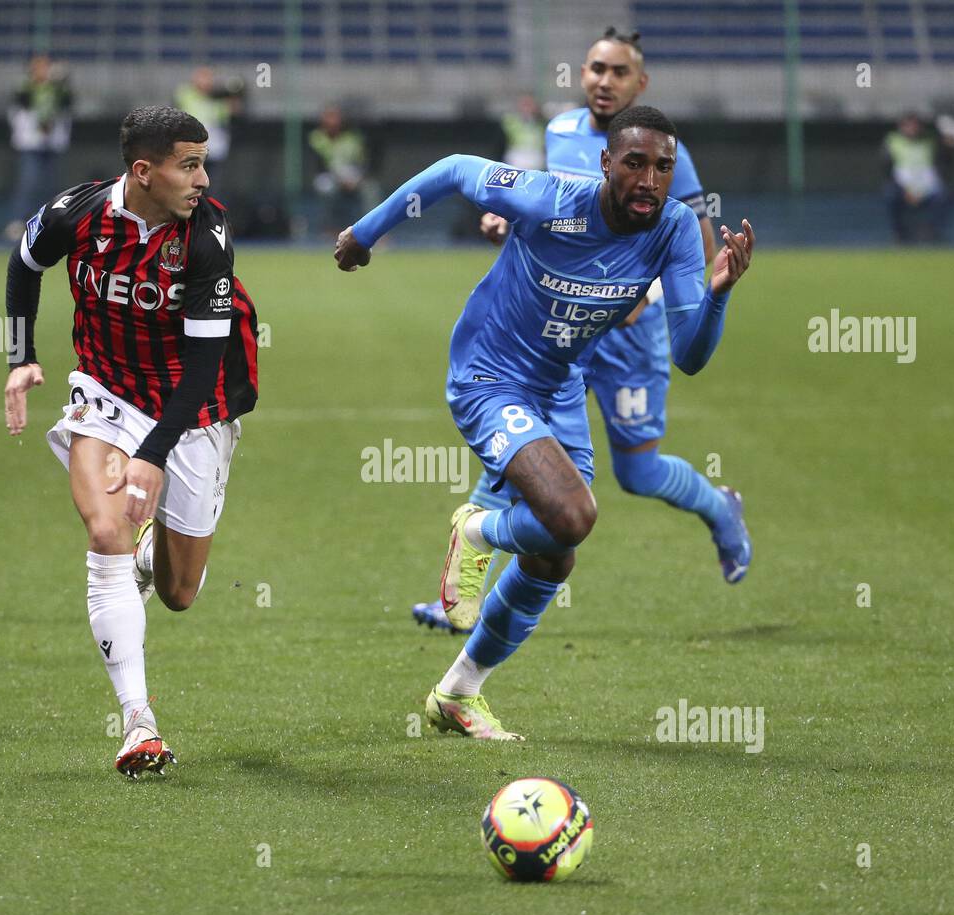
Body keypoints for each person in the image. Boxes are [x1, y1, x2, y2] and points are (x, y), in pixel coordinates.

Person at [336, 105, 756, 739]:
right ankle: (476, 528)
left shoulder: (672, 228)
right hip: (489, 376)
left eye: (662, 167)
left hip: (559, 389)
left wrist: (719, 292)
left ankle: (458, 693)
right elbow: (453, 169)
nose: (648, 179)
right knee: (573, 515)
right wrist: (364, 234)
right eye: (635, 163)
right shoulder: (548, 197)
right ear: (606, 163)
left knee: (556, 554)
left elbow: (690, 356)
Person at [413, 27, 749, 636]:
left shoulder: (668, 153)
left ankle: (721, 509)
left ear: (639, 83)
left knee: (639, 473)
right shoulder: (560, 131)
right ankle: (459, 593)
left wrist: (643, 294)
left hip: (629, 329)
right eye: (596, 68)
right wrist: (506, 225)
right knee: (517, 453)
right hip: (556, 326)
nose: (604, 81)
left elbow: (693, 238)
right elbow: (557, 213)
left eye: (619, 72)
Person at [3, 106, 260, 776]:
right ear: (143, 171)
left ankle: (153, 559)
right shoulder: (77, 213)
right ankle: (138, 723)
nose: (203, 178)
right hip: (106, 392)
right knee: (105, 531)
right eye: (189, 164)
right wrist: (20, 355)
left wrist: (154, 455)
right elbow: (24, 262)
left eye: (204, 162)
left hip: (194, 404)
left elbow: (204, 366)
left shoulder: (208, 234)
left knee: (179, 593)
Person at [5, 56, 74, 242]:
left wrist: (60, 82)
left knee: (51, 185)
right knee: (29, 183)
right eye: (39, 68)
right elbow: (22, 101)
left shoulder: (58, 89)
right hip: (30, 142)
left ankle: (50, 222)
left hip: (53, 143)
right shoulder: (26, 87)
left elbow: (67, 102)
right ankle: (18, 222)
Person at [883, 112, 954, 243]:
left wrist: (949, 146)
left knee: (946, 195)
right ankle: (899, 233)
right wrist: (906, 191)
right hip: (904, 188)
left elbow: (946, 159)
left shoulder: (931, 140)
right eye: (908, 126)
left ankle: (931, 231)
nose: (912, 129)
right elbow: (887, 169)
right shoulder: (893, 141)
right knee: (890, 194)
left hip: (928, 188)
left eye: (915, 126)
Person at [309, 105, 376, 237]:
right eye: (328, 117)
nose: (332, 121)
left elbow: (361, 162)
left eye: (334, 117)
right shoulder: (316, 137)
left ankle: (373, 230)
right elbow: (318, 165)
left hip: (351, 176)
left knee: (370, 189)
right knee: (327, 189)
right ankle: (331, 229)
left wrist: (356, 179)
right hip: (327, 176)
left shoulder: (351, 137)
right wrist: (340, 179)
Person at [174, 66, 242, 185]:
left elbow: (233, 112)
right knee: (191, 181)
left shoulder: (219, 98)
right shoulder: (186, 94)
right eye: (202, 77)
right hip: (192, 148)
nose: (205, 81)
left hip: (214, 148)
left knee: (212, 183)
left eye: (208, 78)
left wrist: (234, 94)